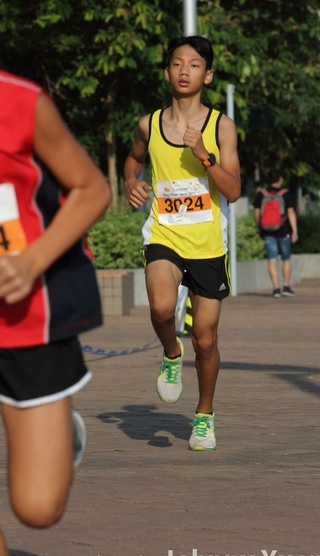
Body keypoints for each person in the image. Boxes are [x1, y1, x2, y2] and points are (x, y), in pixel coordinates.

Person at [0, 2, 111, 556]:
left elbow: (92, 189)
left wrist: (32, 261)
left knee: (38, 508)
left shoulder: (21, 101)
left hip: (28, 318)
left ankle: (60, 429)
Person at [124, 35, 241, 451]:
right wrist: (130, 181)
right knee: (160, 306)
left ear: (207, 75)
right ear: (167, 72)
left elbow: (233, 191)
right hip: (165, 234)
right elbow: (134, 158)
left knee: (206, 340)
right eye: (177, 64)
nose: (184, 71)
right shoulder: (149, 124)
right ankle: (172, 354)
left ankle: (204, 416)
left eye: (194, 65)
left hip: (207, 243)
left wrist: (205, 156)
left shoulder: (221, 126)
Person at [253, 169, 298, 298]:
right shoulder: (285, 194)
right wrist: (294, 230)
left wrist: (259, 226)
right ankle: (286, 286)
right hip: (284, 231)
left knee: (272, 259)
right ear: (280, 179)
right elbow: (290, 212)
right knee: (286, 258)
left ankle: (276, 288)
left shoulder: (262, 194)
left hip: (267, 231)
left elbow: (256, 212)